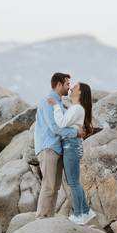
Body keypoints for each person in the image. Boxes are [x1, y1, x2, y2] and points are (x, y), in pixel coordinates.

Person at [50, 82, 98, 225]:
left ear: (80, 93)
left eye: (74, 87)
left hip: (71, 146)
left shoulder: (77, 108)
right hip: (73, 145)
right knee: (75, 182)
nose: (70, 88)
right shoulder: (77, 108)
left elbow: (61, 123)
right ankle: (86, 211)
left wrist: (55, 106)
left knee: (73, 183)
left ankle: (78, 215)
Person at [34, 72, 79, 218]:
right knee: (48, 186)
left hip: (57, 148)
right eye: (67, 84)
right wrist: (75, 133)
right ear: (59, 84)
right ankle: (41, 218)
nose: (69, 87)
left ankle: (49, 218)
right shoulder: (48, 101)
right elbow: (55, 127)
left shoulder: (58, 102)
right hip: (48, 148)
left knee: (55, 187)